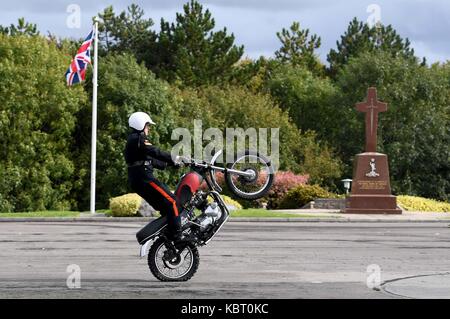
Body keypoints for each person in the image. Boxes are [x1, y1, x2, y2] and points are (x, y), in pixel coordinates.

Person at [124, 112, 188, 242]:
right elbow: (155, 152)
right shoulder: (138, 139)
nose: (149, 128)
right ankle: (177, 235)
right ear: (141, 125)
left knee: (166, 208)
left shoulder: (134, 140)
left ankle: (167, 233)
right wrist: (175, 158)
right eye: (147, 126)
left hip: (138, 180)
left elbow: (150, 160)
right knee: (173, 202)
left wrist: (172, 164)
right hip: (144, 179)